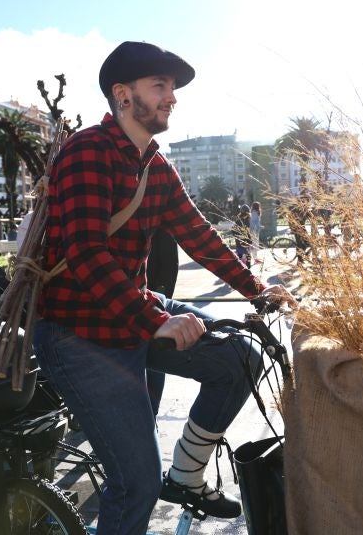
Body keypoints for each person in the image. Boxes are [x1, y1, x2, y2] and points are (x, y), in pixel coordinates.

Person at [31, 41, 296, 533]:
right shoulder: (87, 151)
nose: (172, 97)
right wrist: (159, 320)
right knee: (135, 482)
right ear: (123, 95)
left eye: (172, 88)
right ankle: (157, 484)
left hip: (130, 316)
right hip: (80, 336)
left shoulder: (154, 163)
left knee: (240, 354)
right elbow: (88, 255)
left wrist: (260, 291)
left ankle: (187, 474)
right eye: (160, 86)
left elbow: (199, 236)